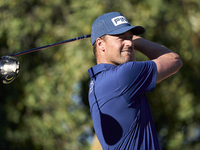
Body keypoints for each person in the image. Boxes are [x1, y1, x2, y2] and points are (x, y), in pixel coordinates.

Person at [88, 12, 182, 150]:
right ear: (101, 44)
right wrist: (138, 40)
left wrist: (126, 40)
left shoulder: (96, 83)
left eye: (130, 37)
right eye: (121, 37)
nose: (129, 43)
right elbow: (174, 60)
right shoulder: (124, 76)